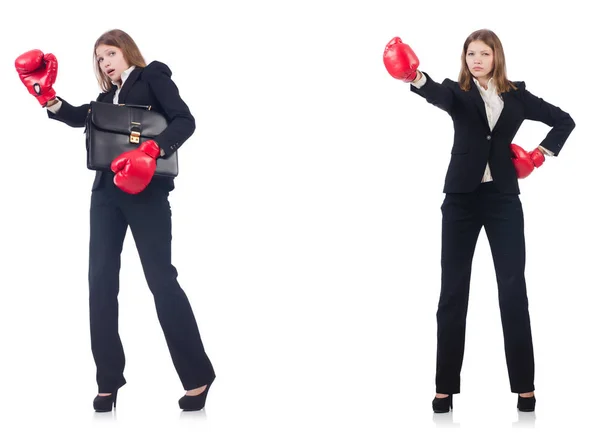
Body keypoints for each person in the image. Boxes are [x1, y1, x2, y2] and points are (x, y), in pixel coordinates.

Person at [15, 29, 216, 412]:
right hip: (106, 193)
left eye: (110, 53)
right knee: (101, 282)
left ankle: (198, 376)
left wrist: (152, 150)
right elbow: (79, 118)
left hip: (146, 191)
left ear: (126, 51)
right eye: (99, 58)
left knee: (161, 280)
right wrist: (48, 97)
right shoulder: (106, 99)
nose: (105, 62)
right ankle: (108, 380)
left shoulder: (152, 76)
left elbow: (184, 120)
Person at [383, 29, 575, 413]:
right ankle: (444, 387)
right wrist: (412, 77)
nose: (476, 59)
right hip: (461, 202)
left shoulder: (518, 96)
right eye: (470, 53)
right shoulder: (458, 92)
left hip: (503, 200)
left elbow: (564, 121)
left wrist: (539, 155)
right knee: (452, 292)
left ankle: (525, 386)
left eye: (483, 53)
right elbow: (432, 90)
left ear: (496, 57)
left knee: (513, 292)